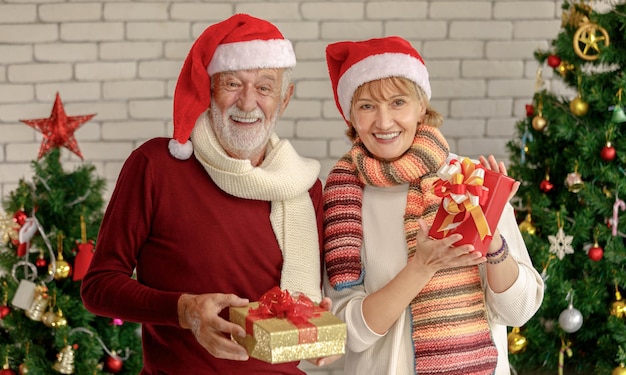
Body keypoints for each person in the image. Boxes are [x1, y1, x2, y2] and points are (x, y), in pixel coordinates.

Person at [81, 14, 338, 374]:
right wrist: (184, 310)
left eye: (265, 87)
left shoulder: (303, 185)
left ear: (284, 98)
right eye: (233, 83)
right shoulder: (156, 165)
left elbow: (308, 300)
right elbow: (98, 286)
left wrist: (314, 324)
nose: (248, 103)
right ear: (208, 88)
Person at [322, 36, 544, 375]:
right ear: (350, 115)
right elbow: (345, 332)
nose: (383, 122)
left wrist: (493, 235)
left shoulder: (469, 180)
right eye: (367, 106)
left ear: (421, 106)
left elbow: (519, 311)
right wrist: (421, 268)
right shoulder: (344, 199)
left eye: (398, 102)